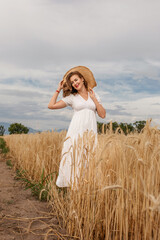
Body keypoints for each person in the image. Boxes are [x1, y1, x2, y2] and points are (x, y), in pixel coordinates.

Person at [48, 66, 106, 187]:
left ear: (82, 79)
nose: (75, 83)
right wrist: (58, 89)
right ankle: (73, 187)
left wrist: (94, 99)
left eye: (76, 80)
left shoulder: (94, 95)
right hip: (76, 132)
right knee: (74, 158)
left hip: (90, 133)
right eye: (72, 82)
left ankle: (86, 187)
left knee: (89, 158)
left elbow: (102, 114)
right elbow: (51, 105)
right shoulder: (72, 98)